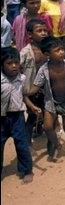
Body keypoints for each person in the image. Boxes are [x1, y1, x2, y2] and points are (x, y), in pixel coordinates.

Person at [24, 36, 65, 163]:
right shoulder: (44, 69)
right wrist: (25, 92)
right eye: (57, 50)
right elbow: (36, 87)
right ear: (47, 54)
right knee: (48, 127)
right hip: (51, 103)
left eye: (62, 49)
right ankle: (56, 143)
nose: (61, 52)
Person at [1, 47, 39, 183]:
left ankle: (26, 170)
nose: (14, 66)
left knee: (22, 144)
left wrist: (32, 107)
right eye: (9, 63)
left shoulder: (22, 79)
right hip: (2, 118)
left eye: (16, 63)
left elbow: (23, 95)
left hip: (17, 117)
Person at [20, 19, 49, 145]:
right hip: (31, 89)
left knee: (48, 113)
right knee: (32, 115)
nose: (43, 33)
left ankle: (41, 131)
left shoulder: (49, 49)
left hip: (46, 88)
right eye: (39, 31)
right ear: (30, 34)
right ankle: (26, 144)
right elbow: (18, 69)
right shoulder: (26, 52)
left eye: (45, 30)